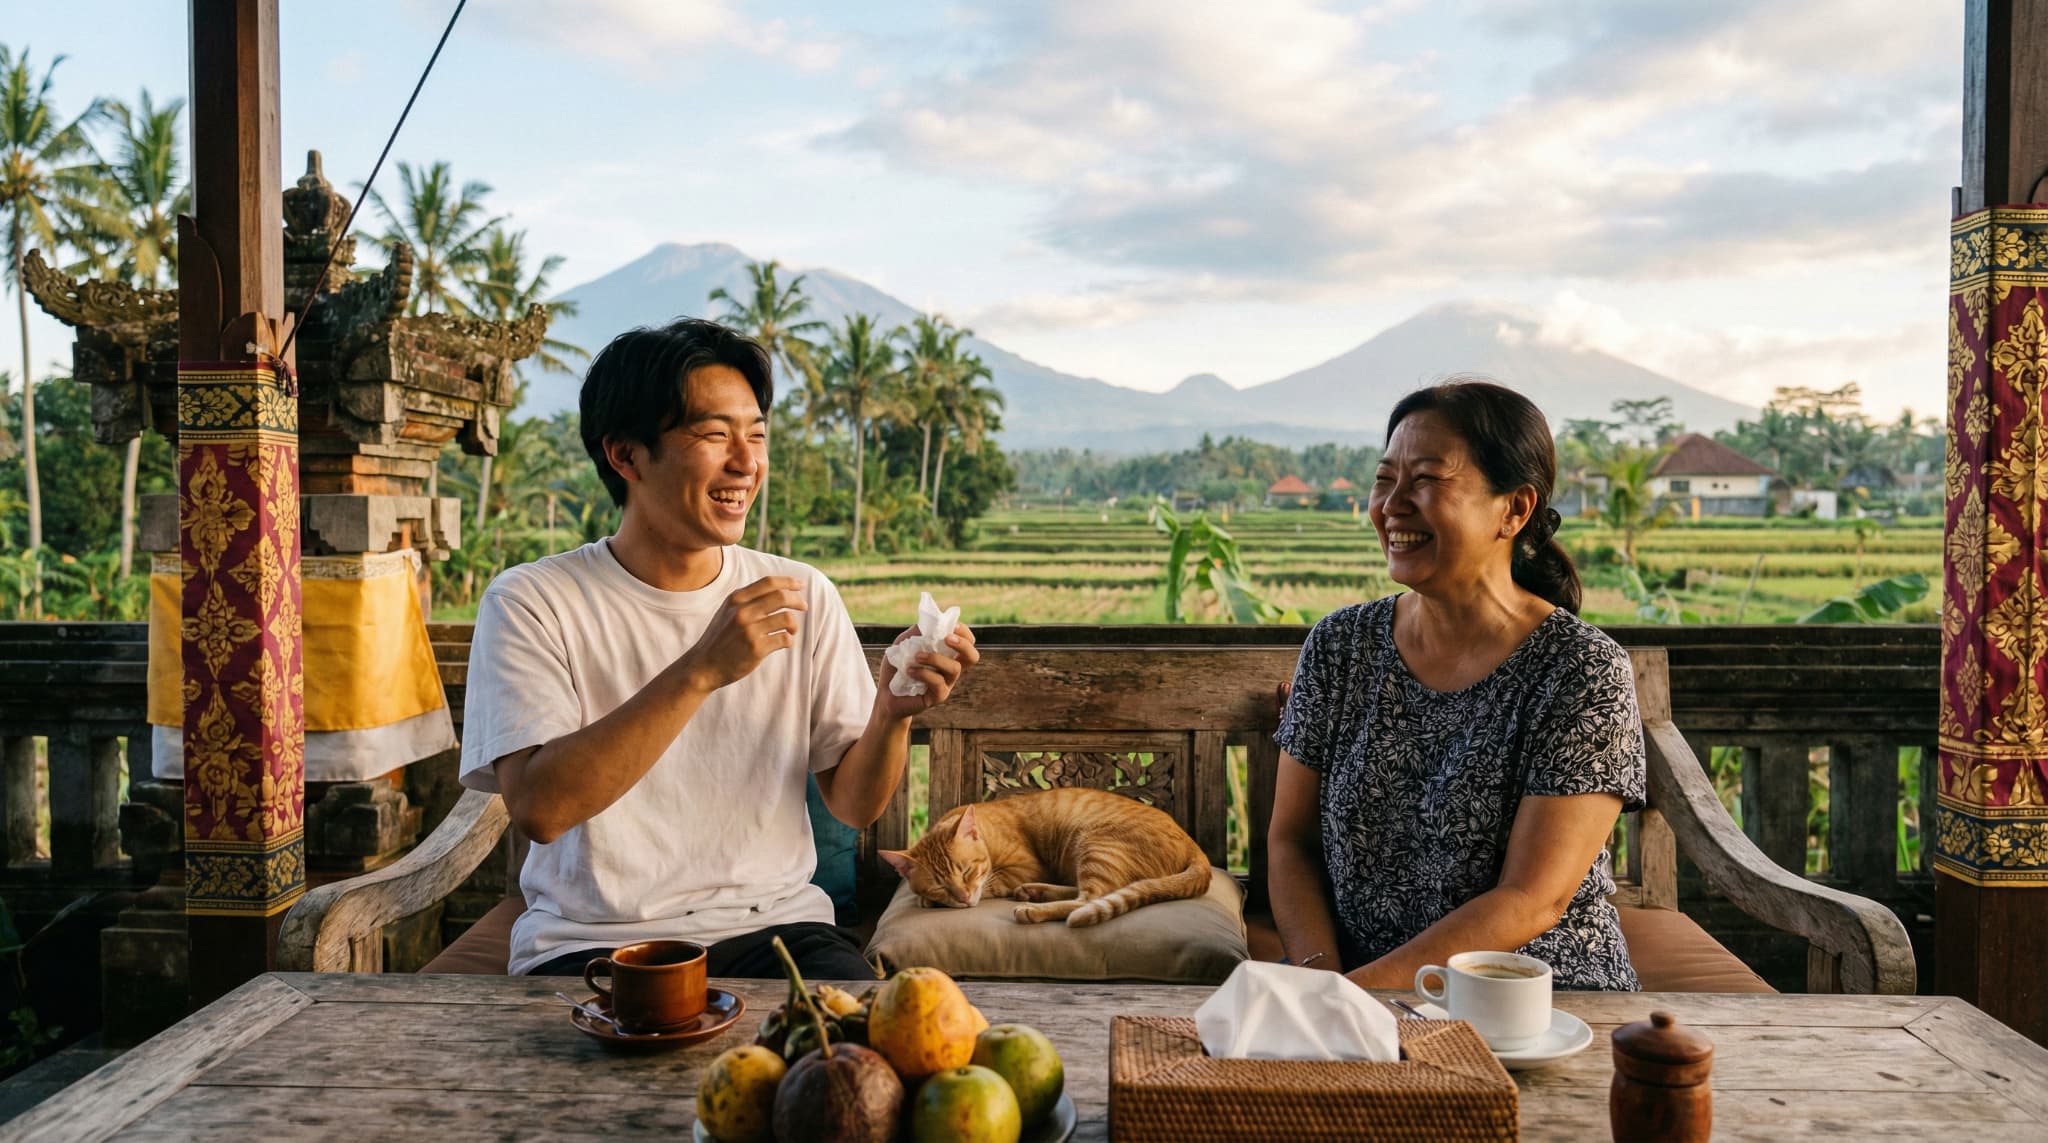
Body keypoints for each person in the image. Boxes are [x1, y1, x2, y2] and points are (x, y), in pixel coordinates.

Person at [458, 317, 978, 980]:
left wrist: (891, 713)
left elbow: (851, 803)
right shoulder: (533, 601)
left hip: (780, 930)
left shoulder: (802, 594)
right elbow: (540, 807)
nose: (746, 461)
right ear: (626, 455)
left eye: (756, 434)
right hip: (589, 944)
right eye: (713, 434)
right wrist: (702, 669)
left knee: (877, 1063)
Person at [1267, 379, 1644, 991]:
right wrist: (1321, 978)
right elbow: (1291, 841)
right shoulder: (1339, 646)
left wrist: (1358, 995)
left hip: (1526, 995)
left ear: (1514, 510)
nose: (1392, 504)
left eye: (1426, 480)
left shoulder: (1580, 669)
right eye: (1385, 478)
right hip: (1353, 985)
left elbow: (1532, 898)